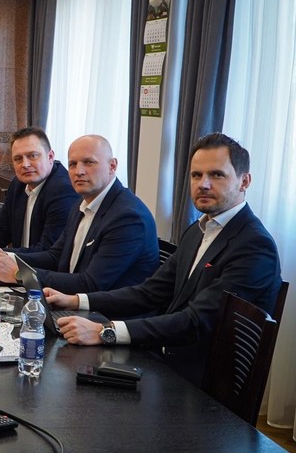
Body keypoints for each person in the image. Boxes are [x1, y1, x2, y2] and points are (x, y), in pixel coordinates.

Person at [45, 133, 281, 385]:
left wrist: (106, 332)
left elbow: (196, 321)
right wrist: (76, 300)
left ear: (244, 181)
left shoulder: (255, 246)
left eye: (216, 175)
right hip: (166, 359)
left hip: (200, 382)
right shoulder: (198, 230)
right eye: (196, 175)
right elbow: (150, 293)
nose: (203, 184)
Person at [0, 134, 159, 293]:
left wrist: (20, 274)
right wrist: (2, 256)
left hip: (109, 315)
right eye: (72, 164)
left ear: (112, 166)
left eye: (89, 162)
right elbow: (55, 256)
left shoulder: (127, 217)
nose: (78, 171)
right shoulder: (82, 204)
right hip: (73, 302)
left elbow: (91, 284)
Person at [0, 127, 78, 266]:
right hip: (18, 271)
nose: (25, 164)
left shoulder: (63, 190)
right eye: (18, 159)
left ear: (50, 157)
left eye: (33, 156)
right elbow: (0, 228)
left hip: (45, 274)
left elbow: (47, 251)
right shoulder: (19, 183)